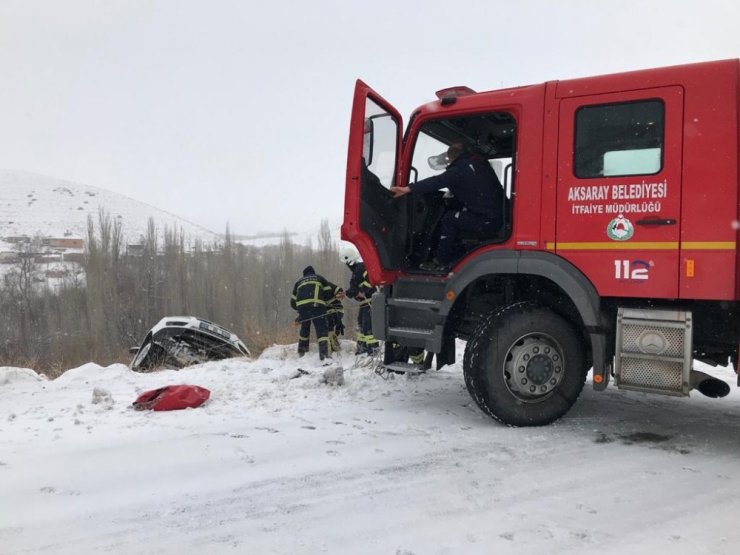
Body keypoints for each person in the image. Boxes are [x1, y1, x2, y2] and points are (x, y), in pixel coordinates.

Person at [390, 143, 504, 271]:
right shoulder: (479, 163)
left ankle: (441, 261)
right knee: (458, 216)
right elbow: (473, 188)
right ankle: (455, 256)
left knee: (449, 219)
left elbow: (436, 182)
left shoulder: (458, 170)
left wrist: (407, 189)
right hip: (499, 215)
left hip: (488, 221)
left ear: (451, 157)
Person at [290, 265, 336, 361]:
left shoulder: (298, 282)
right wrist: (324, 302)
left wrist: (300, 308)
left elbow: (292, 302)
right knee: (321, 329)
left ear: (304, 274)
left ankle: (302, 352)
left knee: (305, 328)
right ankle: (324, 356)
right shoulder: (319, 278)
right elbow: (328, 293)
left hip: (302, 308)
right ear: (313, 272)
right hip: (317, 306)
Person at [345, 258, 379, 355]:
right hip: (364, 303)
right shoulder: (357, 271)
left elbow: (371, 281)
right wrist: (349, 293)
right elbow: (354, 289)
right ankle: (361, 348)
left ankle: (373, 350)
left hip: (371, 301)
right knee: (361, 325)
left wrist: (362, 290)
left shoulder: (361, 268)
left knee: (367, 325)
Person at [325, 280, 345, 353]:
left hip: (337, 310)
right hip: (327, 313)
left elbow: (339, 290)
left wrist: (339, 294)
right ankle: (332, 341)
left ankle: (332, 343)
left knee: (329, 321)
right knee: (328, 324)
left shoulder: (328, 284)